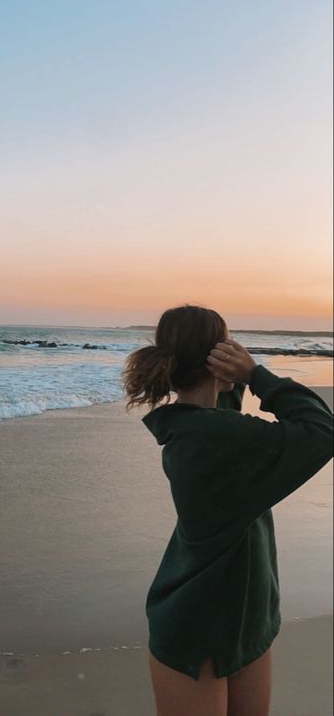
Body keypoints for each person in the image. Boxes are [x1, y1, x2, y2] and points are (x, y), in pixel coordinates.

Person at [121, 304, 333, 716]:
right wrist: (255, 374)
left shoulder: (199, 427)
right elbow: (322, 431)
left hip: (242, 620)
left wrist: (229, 379)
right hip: (199, 627)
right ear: (217, 359)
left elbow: (223, 415)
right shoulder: (212, 437)